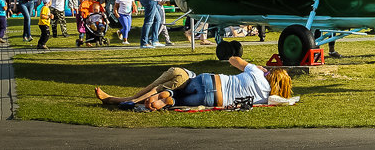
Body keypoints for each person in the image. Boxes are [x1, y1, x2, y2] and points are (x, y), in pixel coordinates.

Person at [94, 56, 293, 111]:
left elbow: (234, 60)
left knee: (176, 77)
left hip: (209, 80)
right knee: (177, 98)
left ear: (270, 74)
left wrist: (257, 67)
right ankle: (167, 100)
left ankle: (155, 96)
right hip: (213, 99)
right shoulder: (267, 98)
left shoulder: (258, 74)